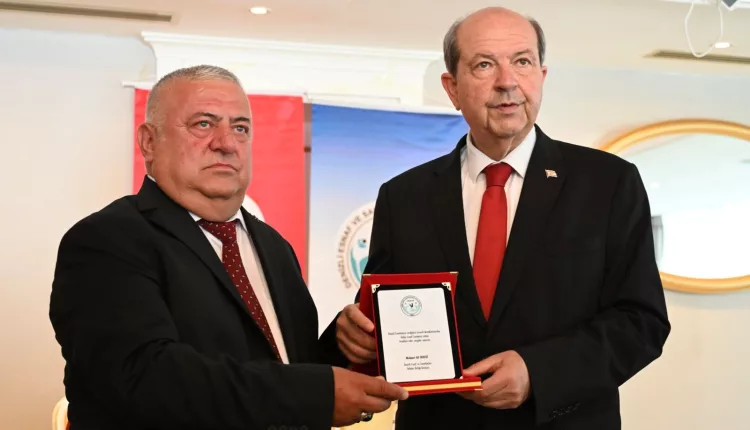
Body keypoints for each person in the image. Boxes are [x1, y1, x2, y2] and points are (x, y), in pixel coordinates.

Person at [329, 7, 671, 430]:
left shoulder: (608, 183)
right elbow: (383, 315)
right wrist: (353, 335)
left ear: (541, 77)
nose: (507, 81)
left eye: (522, 61)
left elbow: (640, 322)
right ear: (452, 88)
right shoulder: (404, 196)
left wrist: (537, 372)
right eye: (484, 65)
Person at [49, 65, 407, 430]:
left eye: (240, 128)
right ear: (149, 142)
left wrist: (343, 345)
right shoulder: (105, 240)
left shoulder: (274, 247)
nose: (226, 143)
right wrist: (316, 393)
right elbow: (145, 378)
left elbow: (287, 365)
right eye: (203, 124)